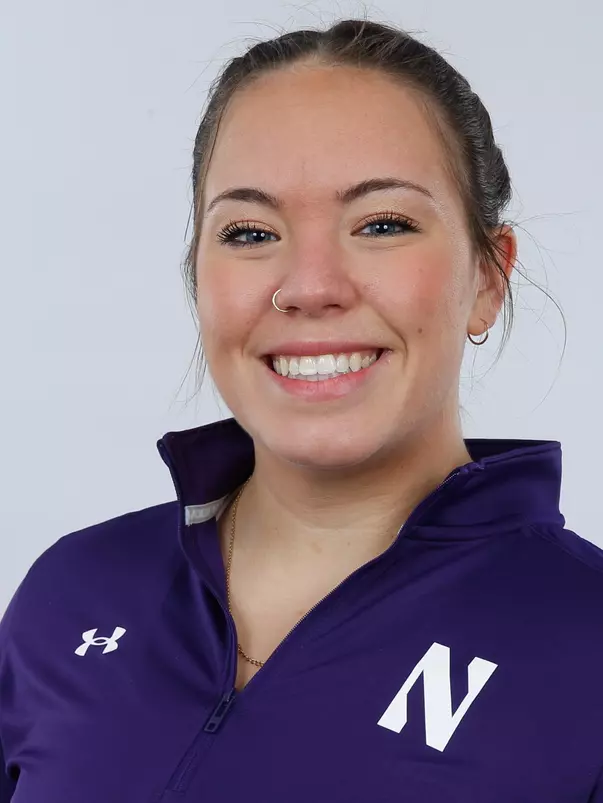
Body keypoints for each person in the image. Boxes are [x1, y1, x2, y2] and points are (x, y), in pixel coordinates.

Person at [1, 15, 602, 803]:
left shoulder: (583, 642)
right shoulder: (74, 590)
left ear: (487, 278)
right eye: (250, 232)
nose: (310, 284)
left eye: (382, 223)